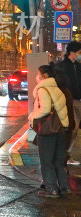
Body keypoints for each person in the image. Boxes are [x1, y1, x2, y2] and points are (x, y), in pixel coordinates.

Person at [30, 64, 71, 198]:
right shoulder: (58, 90)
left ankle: (52, 189)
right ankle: (65, 187)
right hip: (60, 129)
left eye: (38, 74)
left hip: (48, 130)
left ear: (44, 76)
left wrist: (32, 116)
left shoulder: (43, 90)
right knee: (59, 160)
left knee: (47, 161)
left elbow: (45, 109)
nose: (37, 76)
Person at [56, 41, 81, 166]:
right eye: (79, 53)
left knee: (75, 129)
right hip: (68, 100)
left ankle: (67, 154)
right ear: (72, 52)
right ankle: (64, 154)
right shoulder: (62, 66)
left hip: (78, 100)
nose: (80, 55)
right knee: (72, 126)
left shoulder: (77, 66)